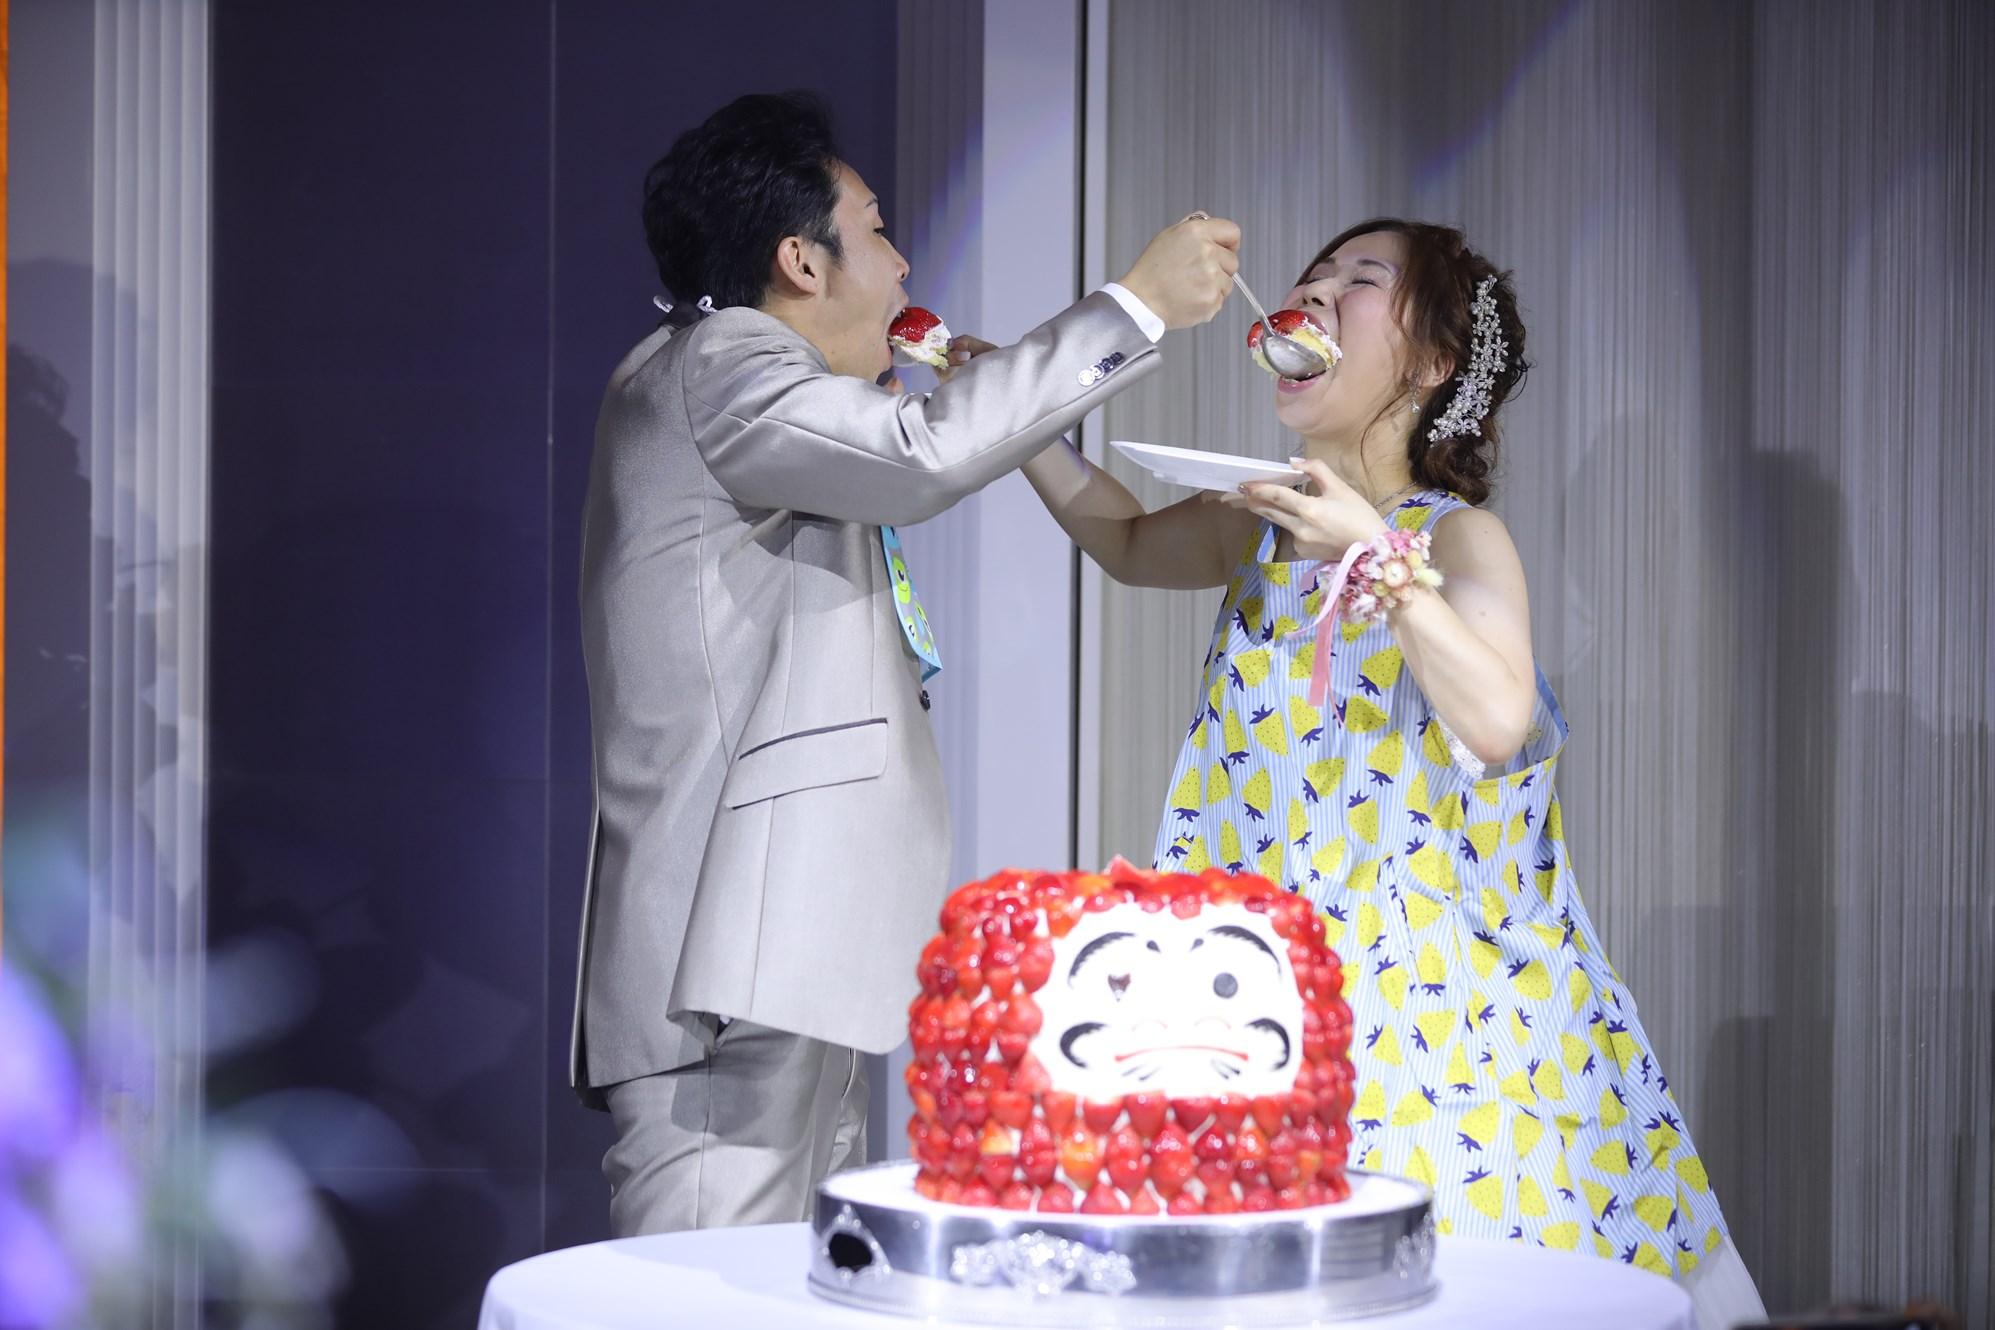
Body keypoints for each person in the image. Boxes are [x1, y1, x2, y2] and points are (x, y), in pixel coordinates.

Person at [1015, 217, 1767, 1330]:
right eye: (1311, 276)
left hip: (1449, 1023)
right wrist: (1013, 413)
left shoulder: (1456, 538)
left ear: (1429, 362)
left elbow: (1499, 717)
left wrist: (1380, 558)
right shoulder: (1258, 527)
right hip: (1272, 1009)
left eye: (1359, 280)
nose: (1315, 292)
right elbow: (1123, 542)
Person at [572, 90, 1239, 1236]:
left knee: (782, 1286)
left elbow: (907, 445)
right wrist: (1134, 305)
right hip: (723, 960)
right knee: (696, 1293)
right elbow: (922, 453)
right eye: (875, 229)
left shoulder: (742, 387)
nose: (901, 261)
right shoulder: (722, 357)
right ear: (799, 262)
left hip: (775, 958)